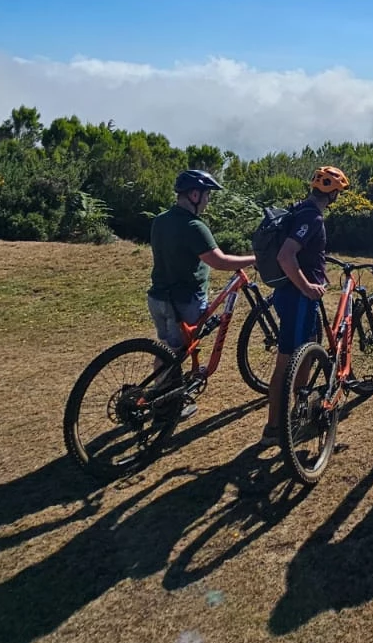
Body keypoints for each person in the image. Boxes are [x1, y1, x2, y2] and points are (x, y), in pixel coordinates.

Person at [148, 169, 258, 419]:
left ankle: (163, 394)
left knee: (167, 350)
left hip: (157, 297)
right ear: (194, 194)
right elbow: (219, 261)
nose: (208, 200)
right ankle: (164, 406)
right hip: (183, 300)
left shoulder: (161, 220)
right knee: (175, 354)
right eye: (207, 195)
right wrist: (255, 258)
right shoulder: (194, 225)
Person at [263, 165, 350, 446]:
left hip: (290, 294)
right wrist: (307, 287)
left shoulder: (299, 209)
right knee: (288, 361)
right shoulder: (312, 217)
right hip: (298, 296)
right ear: (333, 193)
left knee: (306, 352)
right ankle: (274, 429)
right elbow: (286, 256)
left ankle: (299, 409)